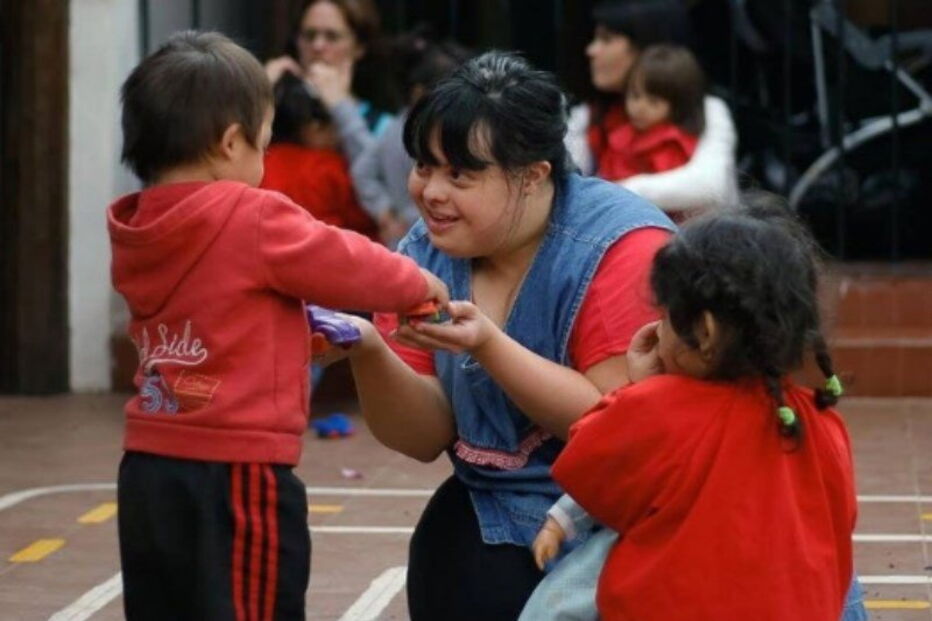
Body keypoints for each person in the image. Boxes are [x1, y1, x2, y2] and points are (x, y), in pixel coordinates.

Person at [107, 31, 447, 620]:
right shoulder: (251, 213)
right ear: (230, 142)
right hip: (237, 473)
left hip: (149, 467)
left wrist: (287, 334)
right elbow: (343, 260)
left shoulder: (136, 228)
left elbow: (216, 307)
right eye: (263, 144)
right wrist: (418, 282)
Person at [335, 51, 676, 620]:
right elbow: (423, 438)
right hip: (492, 504)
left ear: (532, 174)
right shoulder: (421, 253)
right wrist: (366, 348)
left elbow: (616, 427)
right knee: (449, 545)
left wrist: (489, 346)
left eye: (460, 174)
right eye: (424, 166)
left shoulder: (622, 247)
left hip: (619, 511)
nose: (430, 193)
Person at [522, 199, 858, 621]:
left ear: (703, 332)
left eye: (664, 316)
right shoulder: (821, 422)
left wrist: (638, 388)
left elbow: (591, 467)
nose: (657, 328)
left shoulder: (660, 407)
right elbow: (839, 525)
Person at [565, 0, 738, 217]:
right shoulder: (589, 115)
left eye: (606, 39)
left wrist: (610, 191)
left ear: (644, 46)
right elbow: (564, 186)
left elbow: (710, 187)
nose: (591, 50)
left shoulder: (708, 108)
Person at [351, 32, 471, 246]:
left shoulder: (394, 127)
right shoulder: (416, 132)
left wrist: (384, 212)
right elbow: (362, 171)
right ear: (418, 93)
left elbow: (362, 171)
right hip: (429, 236)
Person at [264, 0, 395, 163]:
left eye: (332, 37)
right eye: (309, 35)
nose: (317, 46)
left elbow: (377, 178)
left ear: (359, 47)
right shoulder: (275, 108)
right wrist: (260, 94)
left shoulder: (384, 127)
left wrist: (341, 108)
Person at [261, 72, 378, 238]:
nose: (338, 136)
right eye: (334, 126)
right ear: (314, 128)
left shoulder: (259, 163)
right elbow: (367, 218)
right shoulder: (328, 166)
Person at [598, 45, 706, 222]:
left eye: (653, 101)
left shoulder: (672, 144)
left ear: (678, 104)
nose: (639, 107)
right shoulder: (620, 128)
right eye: (634, 95)